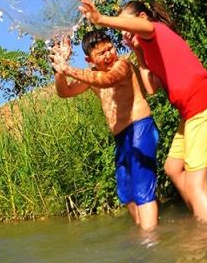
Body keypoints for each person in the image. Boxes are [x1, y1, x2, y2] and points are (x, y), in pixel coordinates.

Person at [74, 0, 207, 225]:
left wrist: (100, 18)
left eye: (127, 29)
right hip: (190, 111)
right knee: (173, 168)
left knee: (196, 184)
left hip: (201, 103)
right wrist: (136, 50)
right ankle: (198, 216)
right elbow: (152, 87)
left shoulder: (154, 30)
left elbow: (141, 28)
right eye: (123, 34)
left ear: (142, 18)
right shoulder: (147, 48)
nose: (125, 34)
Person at [49, 30, 159, 231]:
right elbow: (64, 92)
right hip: (121, 139)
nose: (108, 55)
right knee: (126, 193)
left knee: (143, 189)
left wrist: (68, 69)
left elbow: (109, 80)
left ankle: (151, 240)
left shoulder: (122, 65)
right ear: (89, 58)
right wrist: (58, 69)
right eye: (101, 53)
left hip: (140, 128)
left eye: (110, 48)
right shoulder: (91, 74)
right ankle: (146, 234)